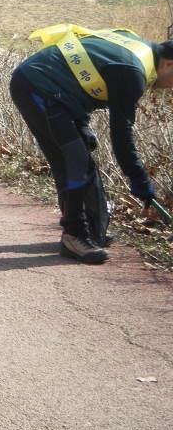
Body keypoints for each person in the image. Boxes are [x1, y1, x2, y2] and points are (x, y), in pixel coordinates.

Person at [10, 27, 173, 264]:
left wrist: (82, 123)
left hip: (51, 88)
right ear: (168, 64)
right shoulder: (132, 71)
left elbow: (82, 74)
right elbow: (121, 136)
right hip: (37, 86)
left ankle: (90, 229)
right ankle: (74, 234)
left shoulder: (137, 47)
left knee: (76, 155)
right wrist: (139, 179)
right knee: (75, 159)